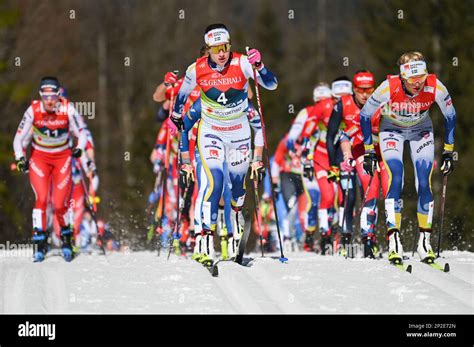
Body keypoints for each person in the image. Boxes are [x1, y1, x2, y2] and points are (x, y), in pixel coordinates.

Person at [171, 23, 277, 267]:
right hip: (211, 134)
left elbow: (271, 84)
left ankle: (236, 222)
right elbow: (182, 95)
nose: (222, 53)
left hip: (239, 136)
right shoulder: (195, 69)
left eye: (226, 47)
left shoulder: (242, 63)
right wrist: (177, 115)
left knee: (238, 190)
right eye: (216, 48)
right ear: (207, 49)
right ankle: (204, 242)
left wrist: (260, 66)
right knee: (214, 182)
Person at [360, 51, 456, 264]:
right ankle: (394, 240)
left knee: (424, 181)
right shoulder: (389, 87)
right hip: (391, 129)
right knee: (396, 176)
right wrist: (368, 150)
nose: (417, 84)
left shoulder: (435, 86)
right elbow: (365, 115)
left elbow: (451, 115)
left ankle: (424, 241)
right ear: (402, 77)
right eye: (412, 80)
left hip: (421, 129)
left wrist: (449, 150)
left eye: (421, 78)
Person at [13, 77, 87, 262]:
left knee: (60, 203)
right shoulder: (33, 110)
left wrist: (80, 148)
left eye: (52, 96)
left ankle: (66, 238)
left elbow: (83, 133)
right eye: (45, 96)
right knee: (42, 198)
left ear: (58, 95)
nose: (49, 101)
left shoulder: (68, 109)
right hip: (40, 158)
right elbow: (18, 139)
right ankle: (39, 241)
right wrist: (20, 158)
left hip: (62, 158)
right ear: (40, 96)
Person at [326, 71, 384, 258]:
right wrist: (336, 162)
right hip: (348, 153)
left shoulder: (381, 104)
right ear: (354, 90)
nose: (365, 95)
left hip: (375, 153)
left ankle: (370, 238)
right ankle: (346, 239)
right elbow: (332, 135)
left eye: (369, 90)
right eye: (361, 90)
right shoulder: (343, 104)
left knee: (369, 192)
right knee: (349, 197)